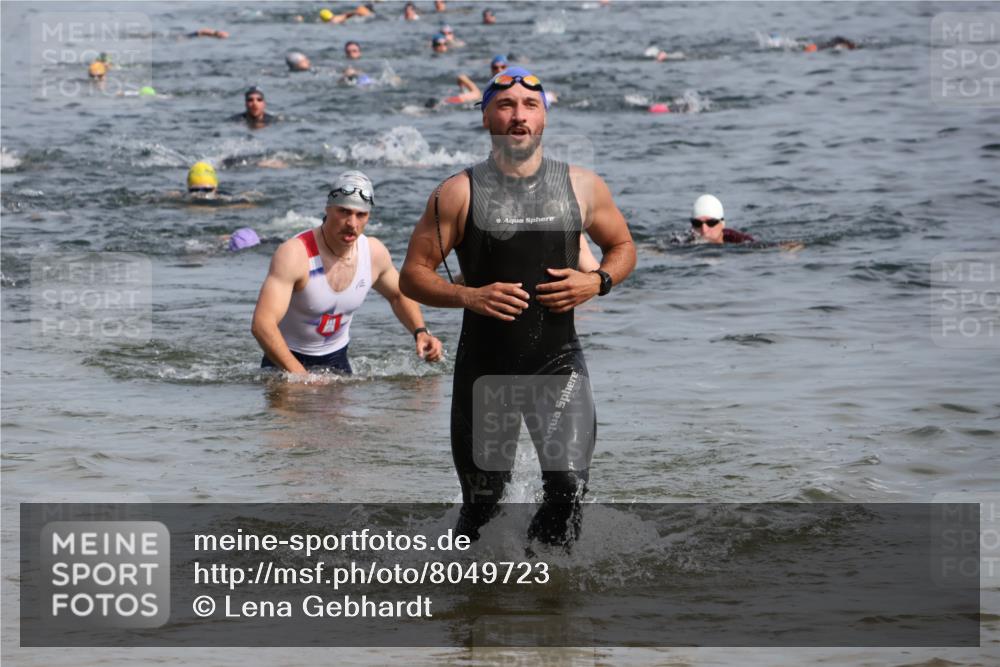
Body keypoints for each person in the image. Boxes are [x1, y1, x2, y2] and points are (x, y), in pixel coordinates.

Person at [398, 67, 636, 547]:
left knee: (568, 489)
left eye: (530, 106)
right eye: (505, 106)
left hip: (558, 361)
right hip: (485, 370)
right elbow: (412, 276)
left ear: (544, 117)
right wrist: (468, 295)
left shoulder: (582, 186)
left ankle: (550, 600)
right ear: (486, 115)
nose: (518, 116)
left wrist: (597, 281)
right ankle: (470, 609)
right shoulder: (457, 193)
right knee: (483, 504)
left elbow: (624, 245)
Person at [252, 170, 444, 375]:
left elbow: (398, 295)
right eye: (344, 211)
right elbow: (262, 324)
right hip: (283, 363)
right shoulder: (295, 254)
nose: (352, 224)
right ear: (328, 208)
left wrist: (420, 332)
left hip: (337, 361)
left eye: (361, 214)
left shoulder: (373, 253)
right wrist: (301, 377)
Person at [689, 194, 754, 244]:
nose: (704, 230)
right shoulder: (684, 241)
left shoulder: (740, 241)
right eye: (697, 223)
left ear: (722, 224)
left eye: (711, 223)